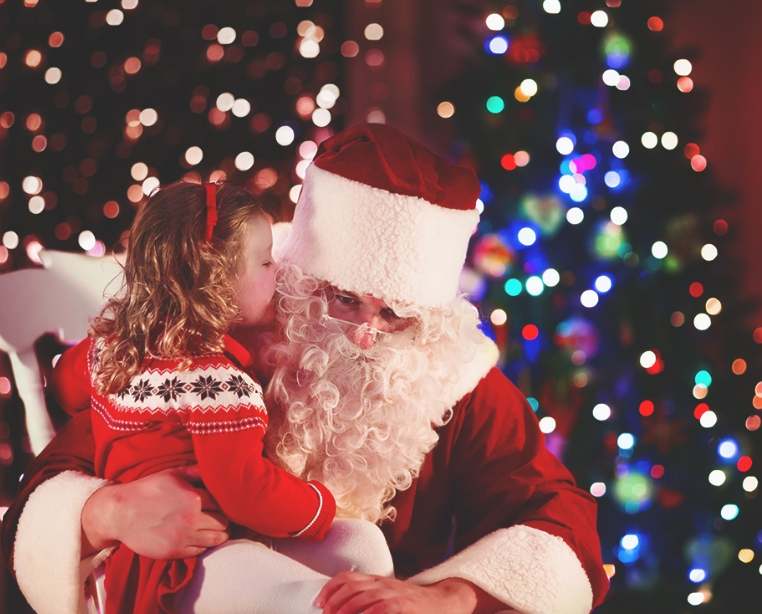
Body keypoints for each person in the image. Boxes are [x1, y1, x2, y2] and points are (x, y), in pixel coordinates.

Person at [3, 124, 610, 614]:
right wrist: (108, 513)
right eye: (344, 300)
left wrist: (445, 598)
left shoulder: (447, 373)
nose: (368, 335)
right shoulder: (214, 336)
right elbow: (55, 475)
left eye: (396, 313)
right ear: (296, 277)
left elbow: (560, 516)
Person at [41, 180, 393, 614]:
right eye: (265, 263)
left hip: (209, 541)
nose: (279, 272)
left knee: (362, 544)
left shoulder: (109, 348)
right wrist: (319, 502)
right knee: (308, 600)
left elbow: (62, 387)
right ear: (215, 281)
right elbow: (247, 490)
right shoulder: (216, 381)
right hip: (180, 559)